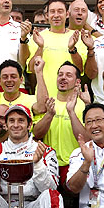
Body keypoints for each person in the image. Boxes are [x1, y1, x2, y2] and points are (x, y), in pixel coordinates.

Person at [33, 61, 89, 191]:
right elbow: (36, 134)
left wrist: (71, 112)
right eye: (60, 75)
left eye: (68, 75)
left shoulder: (83, 106)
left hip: (73, 164)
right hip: (48, 163)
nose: (63, 78)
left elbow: (86, 139)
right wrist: (49, 115)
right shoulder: (48, 104)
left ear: (77, 82)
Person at [28, 0, 88, 97]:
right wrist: (40, 48)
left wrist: (72, 49)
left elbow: (80, 69)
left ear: (67, 14)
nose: (56, 15)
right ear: (47, 15)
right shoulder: (37, 37)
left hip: (71, 100)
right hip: (44, 98)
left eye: (60, 11)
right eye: (52, 12)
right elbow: (31, 69)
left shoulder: (77, 37)